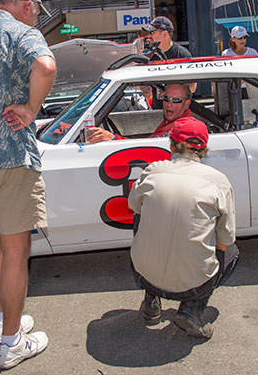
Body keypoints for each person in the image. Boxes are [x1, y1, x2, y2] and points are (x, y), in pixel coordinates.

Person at [0, 0, 56, 369]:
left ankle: (0, 323)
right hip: (10, 156)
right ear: (26, 6)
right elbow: (45, 65)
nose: (37, 18)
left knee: (0, 246)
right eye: (37, 11)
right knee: (17, 250)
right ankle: (11, 343)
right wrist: (31, 108)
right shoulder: (20, 32)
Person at [128, 116, 239, 338]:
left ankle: (151, 302)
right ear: (204, 148)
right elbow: (226, 240)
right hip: (193, 285)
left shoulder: (153, 171)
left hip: (144, 274)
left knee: (141, 215)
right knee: (232, 252)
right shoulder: (219, 181)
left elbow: (132, 204)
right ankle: (191, 309)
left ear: (171, 143)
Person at [85, 83, 193, 142]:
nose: (169, 104)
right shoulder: (170, 121)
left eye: (176, 100)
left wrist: (112, 138)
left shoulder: (184, 128)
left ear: (187, 103)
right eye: (165, 98)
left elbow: (147, 151)